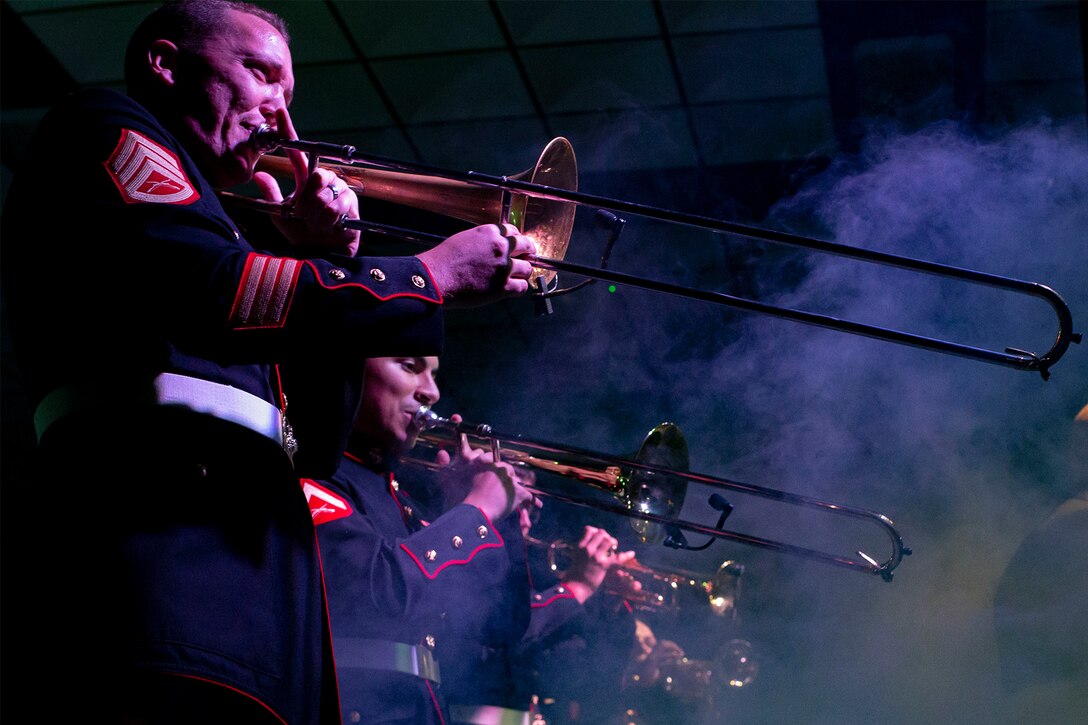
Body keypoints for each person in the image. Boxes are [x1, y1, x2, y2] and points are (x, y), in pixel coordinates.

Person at [0, 1, 537, 722]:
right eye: (260, 75)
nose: (283, 119)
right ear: (165, 64)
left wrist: (322, 258)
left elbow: (311, 442)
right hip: (158, 573)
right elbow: (215, 288)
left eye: (290, 94)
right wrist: (425, 275)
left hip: (251, 612)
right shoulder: (107, 126)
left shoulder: (223, 225)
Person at [302, 355, 537, 724]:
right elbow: (378, 590)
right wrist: (476, 511)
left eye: (434, 374)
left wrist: (494, 516)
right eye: (409, 366)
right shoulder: (315, 473)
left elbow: (499, 623)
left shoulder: (402, 501)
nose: (432, 391)